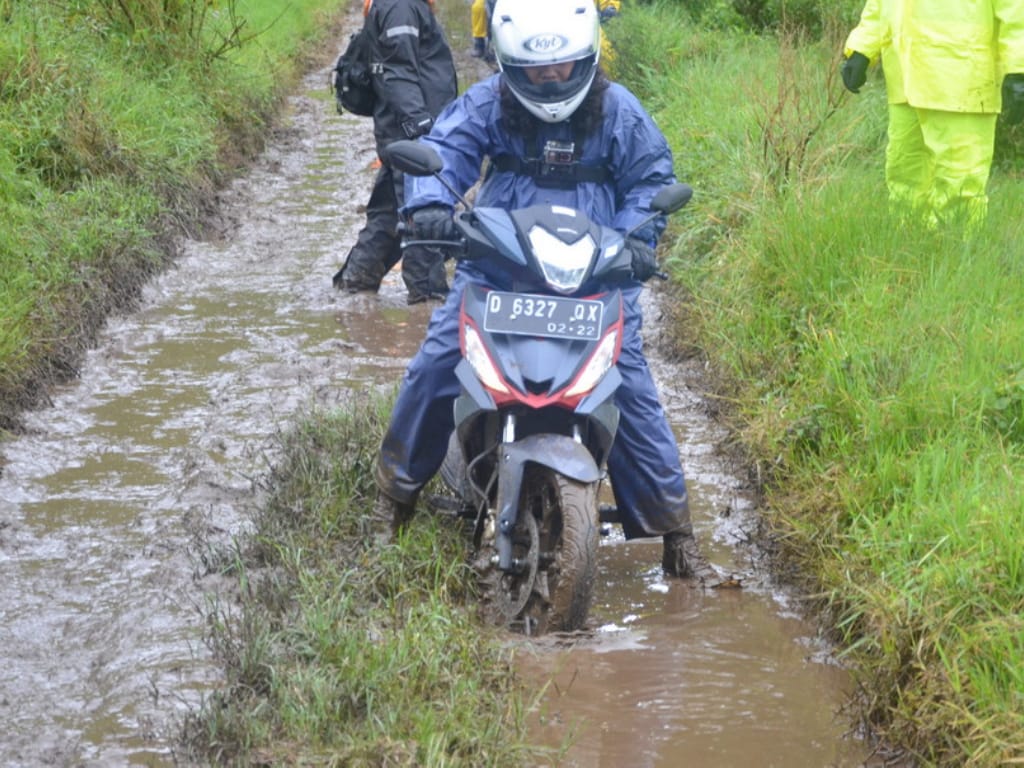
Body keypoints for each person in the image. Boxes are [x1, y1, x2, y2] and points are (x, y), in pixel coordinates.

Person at [372, 0, 715, 581]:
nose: (550, 79)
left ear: (586, 58)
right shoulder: (488, 102)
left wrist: (638, 239)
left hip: (598, 266)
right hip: (498, 259)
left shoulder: (619, 111)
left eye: (561, 68)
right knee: (439, 360)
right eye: (535, 71)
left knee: (627, 381)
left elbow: (650, 180)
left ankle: (677, 535)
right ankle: (393, 499)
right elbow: (448, 151)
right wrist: (431, 206)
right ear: (509, 64)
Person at [841, 0, 1024, 229]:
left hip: (961, 80)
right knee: (904, 175)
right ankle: (910, 247)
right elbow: (879, 5)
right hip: (905, 79)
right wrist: (861, 49)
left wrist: (1019, 68)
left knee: (959, 183)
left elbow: (1017, 9)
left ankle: (958, 254)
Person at [333, 0, 458, 304]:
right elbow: (398, 69)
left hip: (400, 129)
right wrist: (421, 127)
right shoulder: (402, 5)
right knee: (422, 214)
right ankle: (428, 301)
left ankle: (354, 288)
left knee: (388, 216)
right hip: (410, 132)